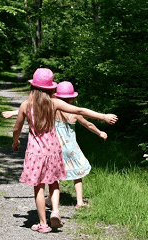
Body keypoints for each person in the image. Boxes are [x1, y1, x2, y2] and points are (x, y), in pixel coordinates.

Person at [11, 68, 118, 233]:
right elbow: (80, 111)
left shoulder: (26, 105)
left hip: (35, 152)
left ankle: (43, 224)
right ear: (51, 88)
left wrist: (15, 141)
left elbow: (16, 128)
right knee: (53, 183)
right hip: (53, 150)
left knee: (39, 187)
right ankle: (54, 211)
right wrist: (103, 116)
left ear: (33, 86)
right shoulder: (54, 103)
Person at [3, 81, 111, 209]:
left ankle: (49, 199)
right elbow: (88, 124)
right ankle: (79, 201)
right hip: (71, 148)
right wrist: (100, 130)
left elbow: (34, 109)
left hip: (54, 147)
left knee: (53, 176)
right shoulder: (72, 113)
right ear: (73, 98)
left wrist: (13, 112)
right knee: (78, 174)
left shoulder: (51, 109)